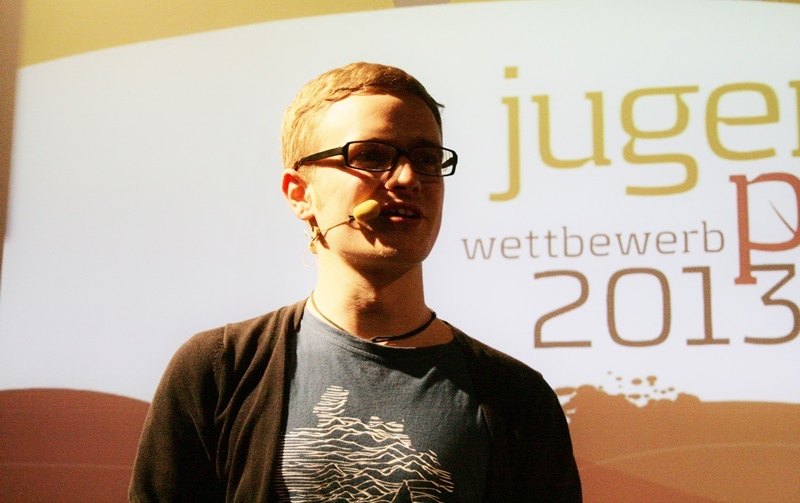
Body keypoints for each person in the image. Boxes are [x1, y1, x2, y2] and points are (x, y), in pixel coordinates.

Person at [129, 62, 581, 502]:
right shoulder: (219, 370)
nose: (408, 178)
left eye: (426, 159)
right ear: (300, 194)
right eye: (370, 155)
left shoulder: (517, 398)